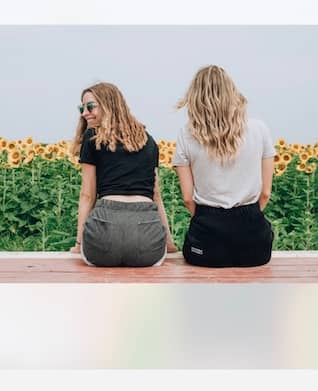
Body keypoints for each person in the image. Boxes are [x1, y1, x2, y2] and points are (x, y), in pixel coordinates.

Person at [173, 65, 275, 267]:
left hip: (206, 244)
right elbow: (265, 193)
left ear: (195, 97)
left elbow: (187, 198)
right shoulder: (259, 129)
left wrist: (209, 220)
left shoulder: (186, 135)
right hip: (255, 247)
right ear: (232, 92)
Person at [70, 82, 176, 266]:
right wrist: (169, 243)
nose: (84, 113)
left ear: (108, 104)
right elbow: (156, 195)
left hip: (104, 237)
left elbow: (87, 195)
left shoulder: (92, 137)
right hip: (148, 243)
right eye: (82, 108)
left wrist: (79, 244)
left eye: (90, 106)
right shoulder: (148, 140)